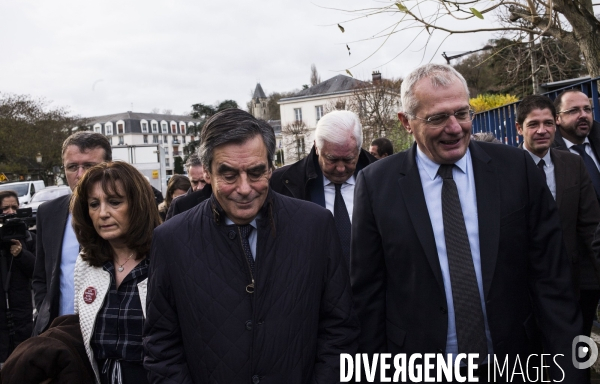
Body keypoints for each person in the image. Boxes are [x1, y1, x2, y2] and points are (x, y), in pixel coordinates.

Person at [352, 64, 584, 382]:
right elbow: (368, 296)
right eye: (437, 118)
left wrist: (569, 371)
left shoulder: (517, 170)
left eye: (462, 113)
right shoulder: (376, 184)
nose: (455, 128)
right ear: (406, 122)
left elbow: (553, 280)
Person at [144, 108, 358, 383]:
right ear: (207, 173)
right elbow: (161, 348)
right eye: (230, 175)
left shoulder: (316, 226)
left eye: (256, 173)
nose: (245, 188)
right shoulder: (171, 239)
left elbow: (340, 330)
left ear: (271, 168)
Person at [71, 161, 161, 384]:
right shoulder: (85, 262)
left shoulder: (165, 258)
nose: (103, 213)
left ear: (138, 205)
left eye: (114, 202)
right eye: (94, 204)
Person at [516, 95, 600, 333]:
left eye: (548, 123)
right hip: (525, 287)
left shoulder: (573, 164)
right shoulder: (504, 169)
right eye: (533, 124)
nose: (542, 130)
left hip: (572, 283)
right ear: (519, 128)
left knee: (576, 352)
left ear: (555, 124)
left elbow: (590, 226)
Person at [270, 110, 376, 266]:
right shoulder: (281, 183)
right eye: (332, 159)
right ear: (316, 147)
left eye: (348, 159)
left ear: (359, 150)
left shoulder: (384, 179)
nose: (340, 168)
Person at [32, 131, 112, 336]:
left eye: (89, 166)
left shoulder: (124, 214)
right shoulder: (48, 213)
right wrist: (45, 312)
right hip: (59, 333)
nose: (80, 175)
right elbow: (41, 274)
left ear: (109, 166)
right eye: (72, 167)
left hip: (109, 335)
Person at [0, 190, 36, 363]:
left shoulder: (29, 237)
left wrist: (22, 254)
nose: (10, 211)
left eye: (14, 207)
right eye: (5, 208)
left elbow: (37, 271)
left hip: (22, 309)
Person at [552, 89, 600, 204]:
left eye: (587, 109)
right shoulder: (549, 152)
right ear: (557, 118)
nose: (583, 115)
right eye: (574, 111)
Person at [164, 153, 212, 221]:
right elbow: (169, 230)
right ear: (189, 179)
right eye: (194, 182)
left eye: (203, 181)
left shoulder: (221, 199)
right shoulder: (179, 204)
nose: (199, 187)